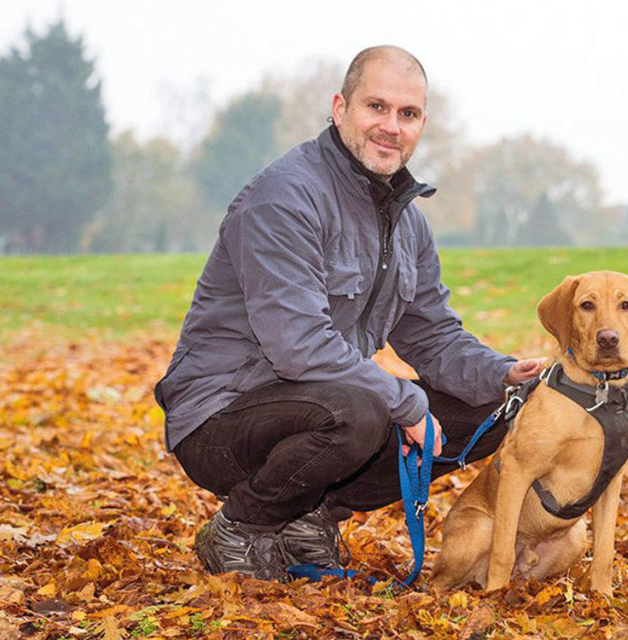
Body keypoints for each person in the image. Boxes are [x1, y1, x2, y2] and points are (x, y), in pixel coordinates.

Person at [154, 45, 544, 581]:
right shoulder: (285, 197)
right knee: (362, 411)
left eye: (406, 114)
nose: (391, 126)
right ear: (340, 108)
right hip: (221, 417)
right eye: (375, 107)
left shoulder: (407, 224)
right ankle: (243, 525)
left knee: (498, 406)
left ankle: (314, 515)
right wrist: (404, 402)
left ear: (421, 124)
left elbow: (432, 336)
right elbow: (298, 346)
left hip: (320, 409)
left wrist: (502, 373)